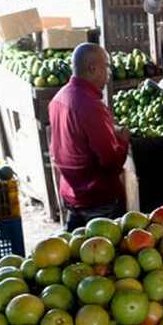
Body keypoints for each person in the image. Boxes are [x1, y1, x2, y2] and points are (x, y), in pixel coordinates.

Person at [49, 43, 129, 231]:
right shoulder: (91, 106)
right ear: (93, 68)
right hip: (97, 199)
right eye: (107, 66)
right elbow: (111, 162)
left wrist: (108, 130)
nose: (109, 72)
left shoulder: (59, 97)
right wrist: (123, 139)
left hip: (71, 193)